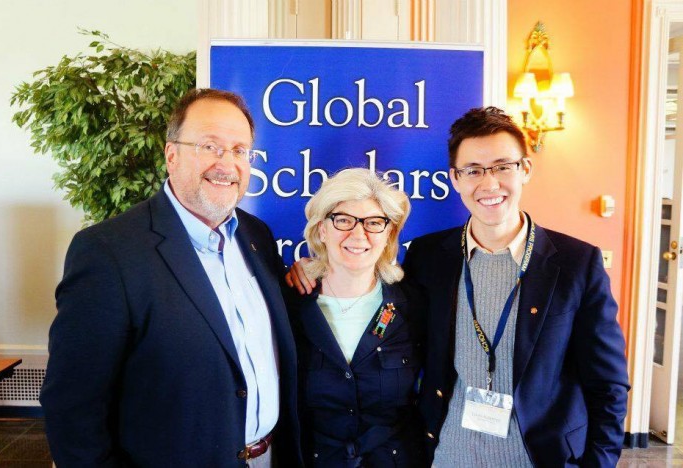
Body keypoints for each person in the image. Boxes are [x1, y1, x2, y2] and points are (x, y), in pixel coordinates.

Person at [287, 107, 630, 467]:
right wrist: (313, 266)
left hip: (541, 458)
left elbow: (608, 385)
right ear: (455, 178)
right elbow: (364, 279)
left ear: (525, 169)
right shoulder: (429, 257)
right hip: (446, 456)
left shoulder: (576, 264)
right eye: (473, 170)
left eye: (502, 166)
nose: (489, 184)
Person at [41, 88, 302, 467]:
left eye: (239, 150)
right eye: (210, 146)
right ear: (171, 154)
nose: (227, 164)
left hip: (269, 457)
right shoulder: (108, 252)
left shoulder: (256, 236)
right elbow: (72, 407)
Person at [288, 168, 426, 467]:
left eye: (374, 222)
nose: (358, 234)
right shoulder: (288, 306)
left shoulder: (414, 305)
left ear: (389, 234)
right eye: (343, 220)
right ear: (322, 229)